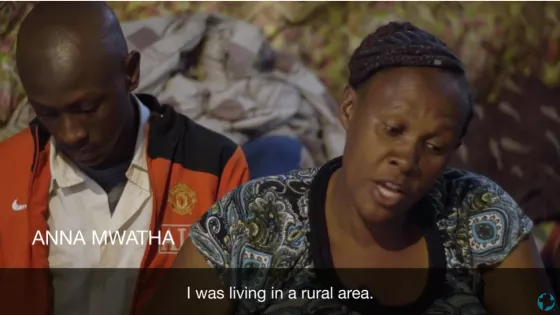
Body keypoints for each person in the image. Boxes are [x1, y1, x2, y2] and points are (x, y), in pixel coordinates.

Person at [145, 22, 556, 315]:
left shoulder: (480, 214)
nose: (407, 160)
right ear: (348, 109)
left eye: (434, 146)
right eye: (392, 130)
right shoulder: (252, 219)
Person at [0, 2, 249, 315]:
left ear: (131, 73)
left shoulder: (215, 169)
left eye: (88, 108)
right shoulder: (7, 173)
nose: (70, 133)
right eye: (48, 113)